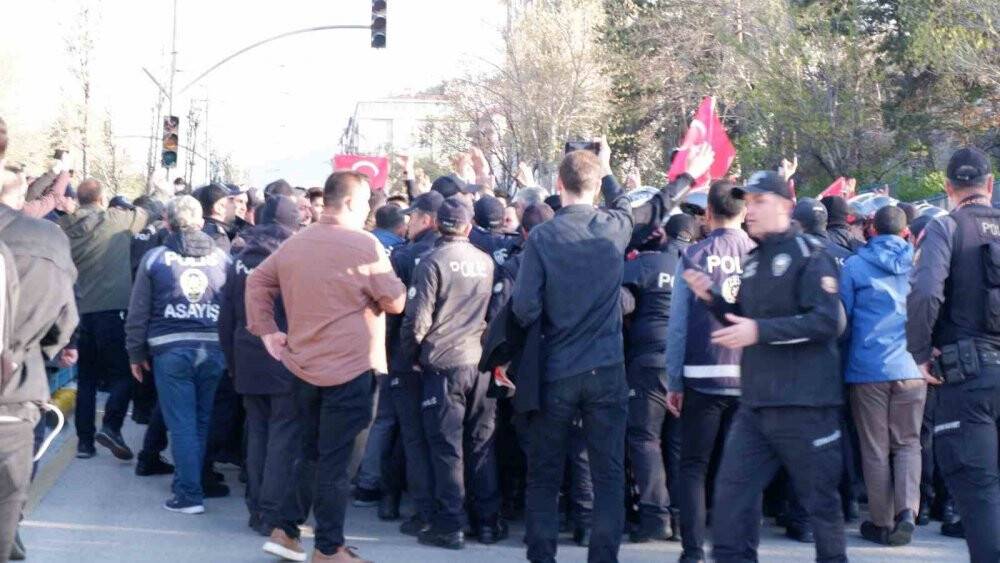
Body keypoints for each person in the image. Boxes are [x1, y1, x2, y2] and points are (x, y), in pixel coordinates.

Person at [511, 140, 713, 563]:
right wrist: (684, 175)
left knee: (544, 476)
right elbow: (655, 206)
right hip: (606, 368)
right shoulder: (614, 225)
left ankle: (542, 556)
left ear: (558, 184)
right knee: (608, 475)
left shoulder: (543, 236)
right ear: (595, 184)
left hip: (557, 368)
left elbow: (524, 308)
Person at [684, 170, 846, 563]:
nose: (750, 210)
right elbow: (744, 320)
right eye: (748, 202)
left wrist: (760, 331)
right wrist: (712, 300)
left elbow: (827, 321)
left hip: (805, 406)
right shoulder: (754, 261)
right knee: (730, 503)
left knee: (821, 506)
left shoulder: (811, 254)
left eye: (760, 202)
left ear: (786, 206)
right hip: (755, 407)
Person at [247, 171, 405, 563]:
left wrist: (267, 331)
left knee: (310, 452)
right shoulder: (365, 244)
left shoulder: (296, 242)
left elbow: (257, 282)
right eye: (366, 203)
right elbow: (395, 301)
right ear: (350, 202)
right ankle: (328, 547)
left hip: (303, 364)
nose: (369, 211)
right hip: (352, 366)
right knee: (338, 462)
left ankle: (286, 529)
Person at [906, 147, 1000, 562]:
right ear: (989, 184)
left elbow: (925, 293)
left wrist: (919, 353)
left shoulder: (945, 227)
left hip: (967, 378)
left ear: (948, 187)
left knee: (980, 497)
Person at [399, 196, 501, 549]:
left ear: (437, 224)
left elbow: (417, 321)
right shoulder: (485, 261)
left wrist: (410, 356)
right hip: (479, 363)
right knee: (481, 443)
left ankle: (450, 524)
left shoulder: (432, 261)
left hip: (443, 364)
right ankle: (487, 522)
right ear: (469, 227)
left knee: (447, 448)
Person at [665, 180, 755, 562]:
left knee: (693, 467)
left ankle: (692, 552)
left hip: (702, 374)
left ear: (708, 214)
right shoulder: (759, 255)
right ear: (745, 212)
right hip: (749, 378)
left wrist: (673, 380)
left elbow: (678, 325)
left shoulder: (693, 254)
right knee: (745, 471)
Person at [125, 195, 229, 514]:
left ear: (167, 224)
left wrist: (135, 352)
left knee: (181, 424)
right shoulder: (222, 259)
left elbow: (138, 311)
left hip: (169, 350)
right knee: (200, 421)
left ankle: (188, 494)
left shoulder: (155, 258)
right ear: (201, 222)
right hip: (212, 349)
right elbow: (233, 308)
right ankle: (189, 484)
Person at [0, 163, 78, 562]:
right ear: (18, 196)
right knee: (8, 490)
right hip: (16, 384)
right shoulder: (45, 237)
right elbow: (64, 316)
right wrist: (40, 352)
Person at [840, 205, 925, 546]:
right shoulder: (920, 264)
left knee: (875, 447)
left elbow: (842, 318)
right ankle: (907, 513)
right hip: (912, 367)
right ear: (905, 232)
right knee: (908, 442)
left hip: (868, 368)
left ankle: (881, 523)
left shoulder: (854, 265)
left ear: (872, 229)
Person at [218, 196, 301, 537]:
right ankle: (271, 512)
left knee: (257, 432)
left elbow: (226, 316)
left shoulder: (240, 259)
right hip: (284, 356)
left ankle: (256, 507)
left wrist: (232, 361)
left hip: (247, 356)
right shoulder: (293, 258)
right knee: (282, 436)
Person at [59, 178, 149, 460]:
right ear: (101, 198)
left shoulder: (63, 227)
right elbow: (146, 213)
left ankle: (84, 443)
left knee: (86, 379)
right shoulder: (115, 220)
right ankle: (111, 425)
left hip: (78, 312)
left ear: (79, 199)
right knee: (124, 373)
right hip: (113, 311)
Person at [621, 213, 698, 544]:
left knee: (645, 438)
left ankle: (655, 516)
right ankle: (680, 519)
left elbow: (619, 303)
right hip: (688, 363)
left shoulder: (645, 265)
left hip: (650, 362)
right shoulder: (697, 265)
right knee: (679, 443)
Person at [380, 190, 445, 537]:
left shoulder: (405, 256)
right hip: (445, 359)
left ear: (428, 219)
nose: (408, 223)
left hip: (408, 358)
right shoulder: (462, 254)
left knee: (410, 436)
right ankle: (439, 506)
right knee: (437, 436)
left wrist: (393, 355)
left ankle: (415, 507)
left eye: (414, 217)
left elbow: (393, 312)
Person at [193, 183, 235, 253]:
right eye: (230, 202)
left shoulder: (199, 229)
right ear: (218, 208)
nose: (234, 206)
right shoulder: (218, 238)